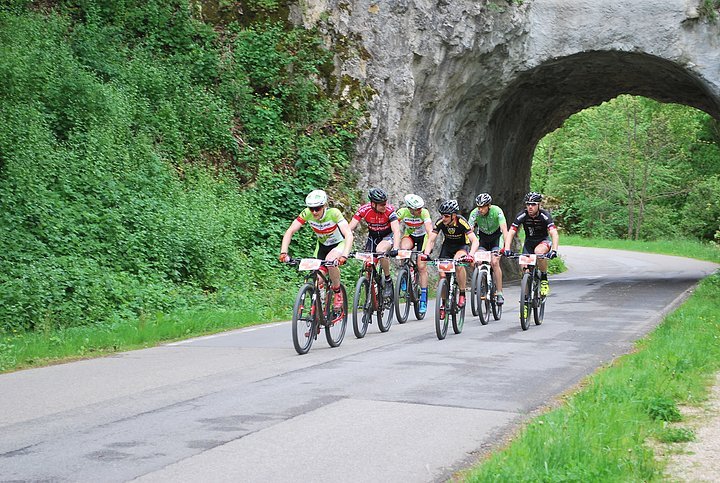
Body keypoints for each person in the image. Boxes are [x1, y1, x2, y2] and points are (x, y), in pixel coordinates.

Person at [279, 189, 354, 311]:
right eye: (311, 208)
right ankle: (319, 312)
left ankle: (337, 291)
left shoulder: (334, 213)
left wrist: (344, 255)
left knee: (330, 261)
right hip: (322, 247)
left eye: (317, 208)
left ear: (324, 206)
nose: (314, 212)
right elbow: (290, 231)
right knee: (317, 279)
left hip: (339, 244)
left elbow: (348, 235)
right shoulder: (306, 214)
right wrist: (283, 252)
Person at [422, 199, 479, 308]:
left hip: (461, 247)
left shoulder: (462, 222)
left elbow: (475, 241)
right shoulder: (440, 222)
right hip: (447, 247)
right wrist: (426, 253)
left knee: (458, 265)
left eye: (446, 216)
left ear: (454, 215)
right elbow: (431, 239)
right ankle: (443, 303)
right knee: (442, 274)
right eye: (442, 215)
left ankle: (462, 293)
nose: (443, 218)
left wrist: (470, 255)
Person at [502, 191, 559, 297]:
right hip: (529, 243)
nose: (530, 207)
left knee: (539, 252)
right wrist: (507, 248)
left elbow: (554, 233)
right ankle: (525, 301)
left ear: (539, 205)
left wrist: (554, 250)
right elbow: (511, 232)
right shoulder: (522, 215)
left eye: (533, 204)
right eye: (528, 204)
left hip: (543, 241)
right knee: (524, 267)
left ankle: (543, 279)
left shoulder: (544, 215)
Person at [348, 187, 402, 298]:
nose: (385, 206)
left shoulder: (390, 210)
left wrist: (396, 248)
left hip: (387, 236)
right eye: (382, 204)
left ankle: (388, 280)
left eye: (385, 203)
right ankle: (372, 298)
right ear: (373, 204)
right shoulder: (364, 210)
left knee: (380, 251)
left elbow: (396, 230)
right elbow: (349, 228)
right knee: (368, 265)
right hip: (373, 237)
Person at [467, 193, 509, 305]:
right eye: (478, 207)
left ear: (488, 206)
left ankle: (499, 292)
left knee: (495, 262)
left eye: (482, 207)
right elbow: (468, 230)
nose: (480, 209)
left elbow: (504, 230)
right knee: (476, 260)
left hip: (496, 239)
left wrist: (506, 246)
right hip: (483, 240)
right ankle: (480, 281)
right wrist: (467, 244)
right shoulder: (474, 213)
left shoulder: (497, 211)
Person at [395, 194, 433, 314]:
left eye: (421, 208)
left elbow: (429, 231)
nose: (420, 210)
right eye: (417, 209)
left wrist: (427, 249)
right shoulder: (402, 212)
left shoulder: (424, 213)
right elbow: (393, 226)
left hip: (423, 238)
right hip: (410, 236)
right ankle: (404, 274)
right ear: (410, 209)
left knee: (421, 266)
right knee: (403, 250)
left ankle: (423, 298)